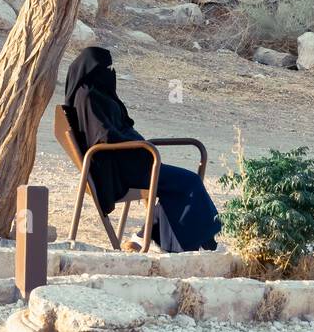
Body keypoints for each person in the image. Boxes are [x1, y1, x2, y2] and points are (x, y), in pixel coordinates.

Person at [63, 46, 221, 252]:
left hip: (133, 160)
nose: (111, 72)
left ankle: (147, 237)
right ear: (92, 69)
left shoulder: (98, 93)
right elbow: (103, 137)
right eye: (106, 67)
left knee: (176, 188)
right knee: (189, 182)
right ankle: (199, 243)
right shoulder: (88, 97)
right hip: (120, 169)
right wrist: (140, 146)